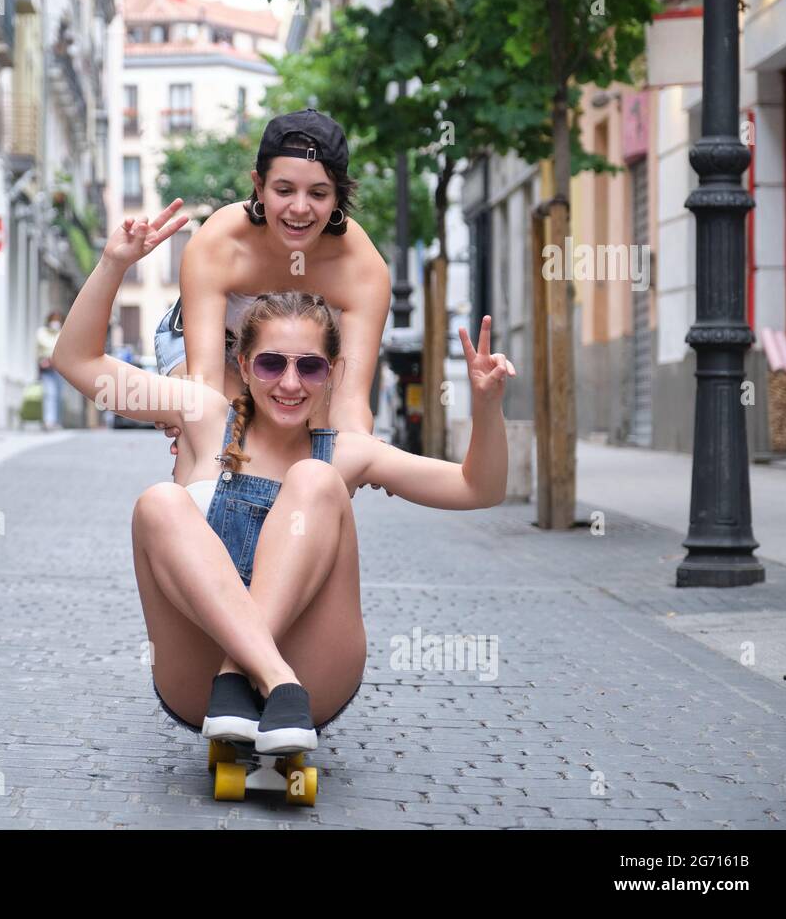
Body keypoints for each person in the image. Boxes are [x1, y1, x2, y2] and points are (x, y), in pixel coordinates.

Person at [51, 200, 516, 754]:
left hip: (313, 678)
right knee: (159, 503)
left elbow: (479, 488)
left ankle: (248, 674)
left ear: (331, 374)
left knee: (316, 480)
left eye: (310, 366)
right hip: (201, 688)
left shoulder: (348, 454)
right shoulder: (202, 415)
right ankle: (269, 677)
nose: (290, 383)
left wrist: (488, 409)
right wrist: (113, 263)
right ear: (244, 367)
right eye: (272, 364)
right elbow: (77, 362)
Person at [153, 109, 392, 463]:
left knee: (317, 444)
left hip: (301, 355)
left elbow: (350, 403)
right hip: (215, 346)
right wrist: (194, 422)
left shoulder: (362, 269)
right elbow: (204, 388)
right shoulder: (219, 244)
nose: (299, 208)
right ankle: (196, 509)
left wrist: (365, 457)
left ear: (338, 197)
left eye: (318, 193)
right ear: (259, 186)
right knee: (227, 428)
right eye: (283, 190)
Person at [36, 311, 65, 430]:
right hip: (46, 368)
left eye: (58, 320)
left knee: (58, 395)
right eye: (54, 320)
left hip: (59, 368)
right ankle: (49, 421)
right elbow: (44, 347)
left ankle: (56, 421)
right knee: (49, 394)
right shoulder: (42, 332)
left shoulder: (62, 333)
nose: (55, 323)